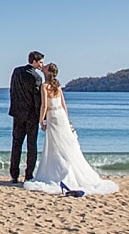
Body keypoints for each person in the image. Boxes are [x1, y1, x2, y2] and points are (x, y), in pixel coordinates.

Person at [24, 63, 119, 195]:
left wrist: (42, 120)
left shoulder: (45, 86)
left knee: (55, 145)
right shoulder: (57, 86)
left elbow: (44, 105)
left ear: (48, 72)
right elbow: (64, 105)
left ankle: (61, 172)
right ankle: (67, 169)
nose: (43, 66)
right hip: (61, 116)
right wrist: (67, 121)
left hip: (53, 116)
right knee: (65, 144)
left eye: (45, 67)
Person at [7, 51, 44, 183]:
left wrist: (14, 107)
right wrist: (41, 116)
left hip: (17, 113)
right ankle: (28, 174)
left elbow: (12, 91)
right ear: (34, 61)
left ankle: (14, 174)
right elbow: (37, 100)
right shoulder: (36, 78)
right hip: (31, 115)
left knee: (16, 144)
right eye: (40, 62)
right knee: (31, 145)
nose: (41, 65)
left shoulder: (16, 72)